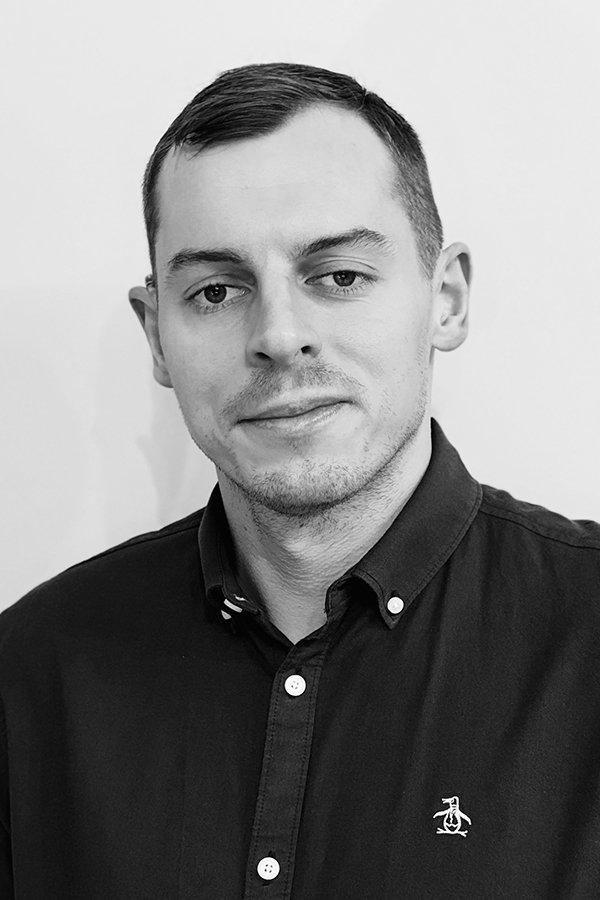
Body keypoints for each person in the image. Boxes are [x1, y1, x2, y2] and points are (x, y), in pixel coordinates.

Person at [1, 62, 599, 900]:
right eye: (215, 291)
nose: (280, 336)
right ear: (156, 336)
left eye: (339, 276)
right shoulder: (29, 675)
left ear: (448, 299)